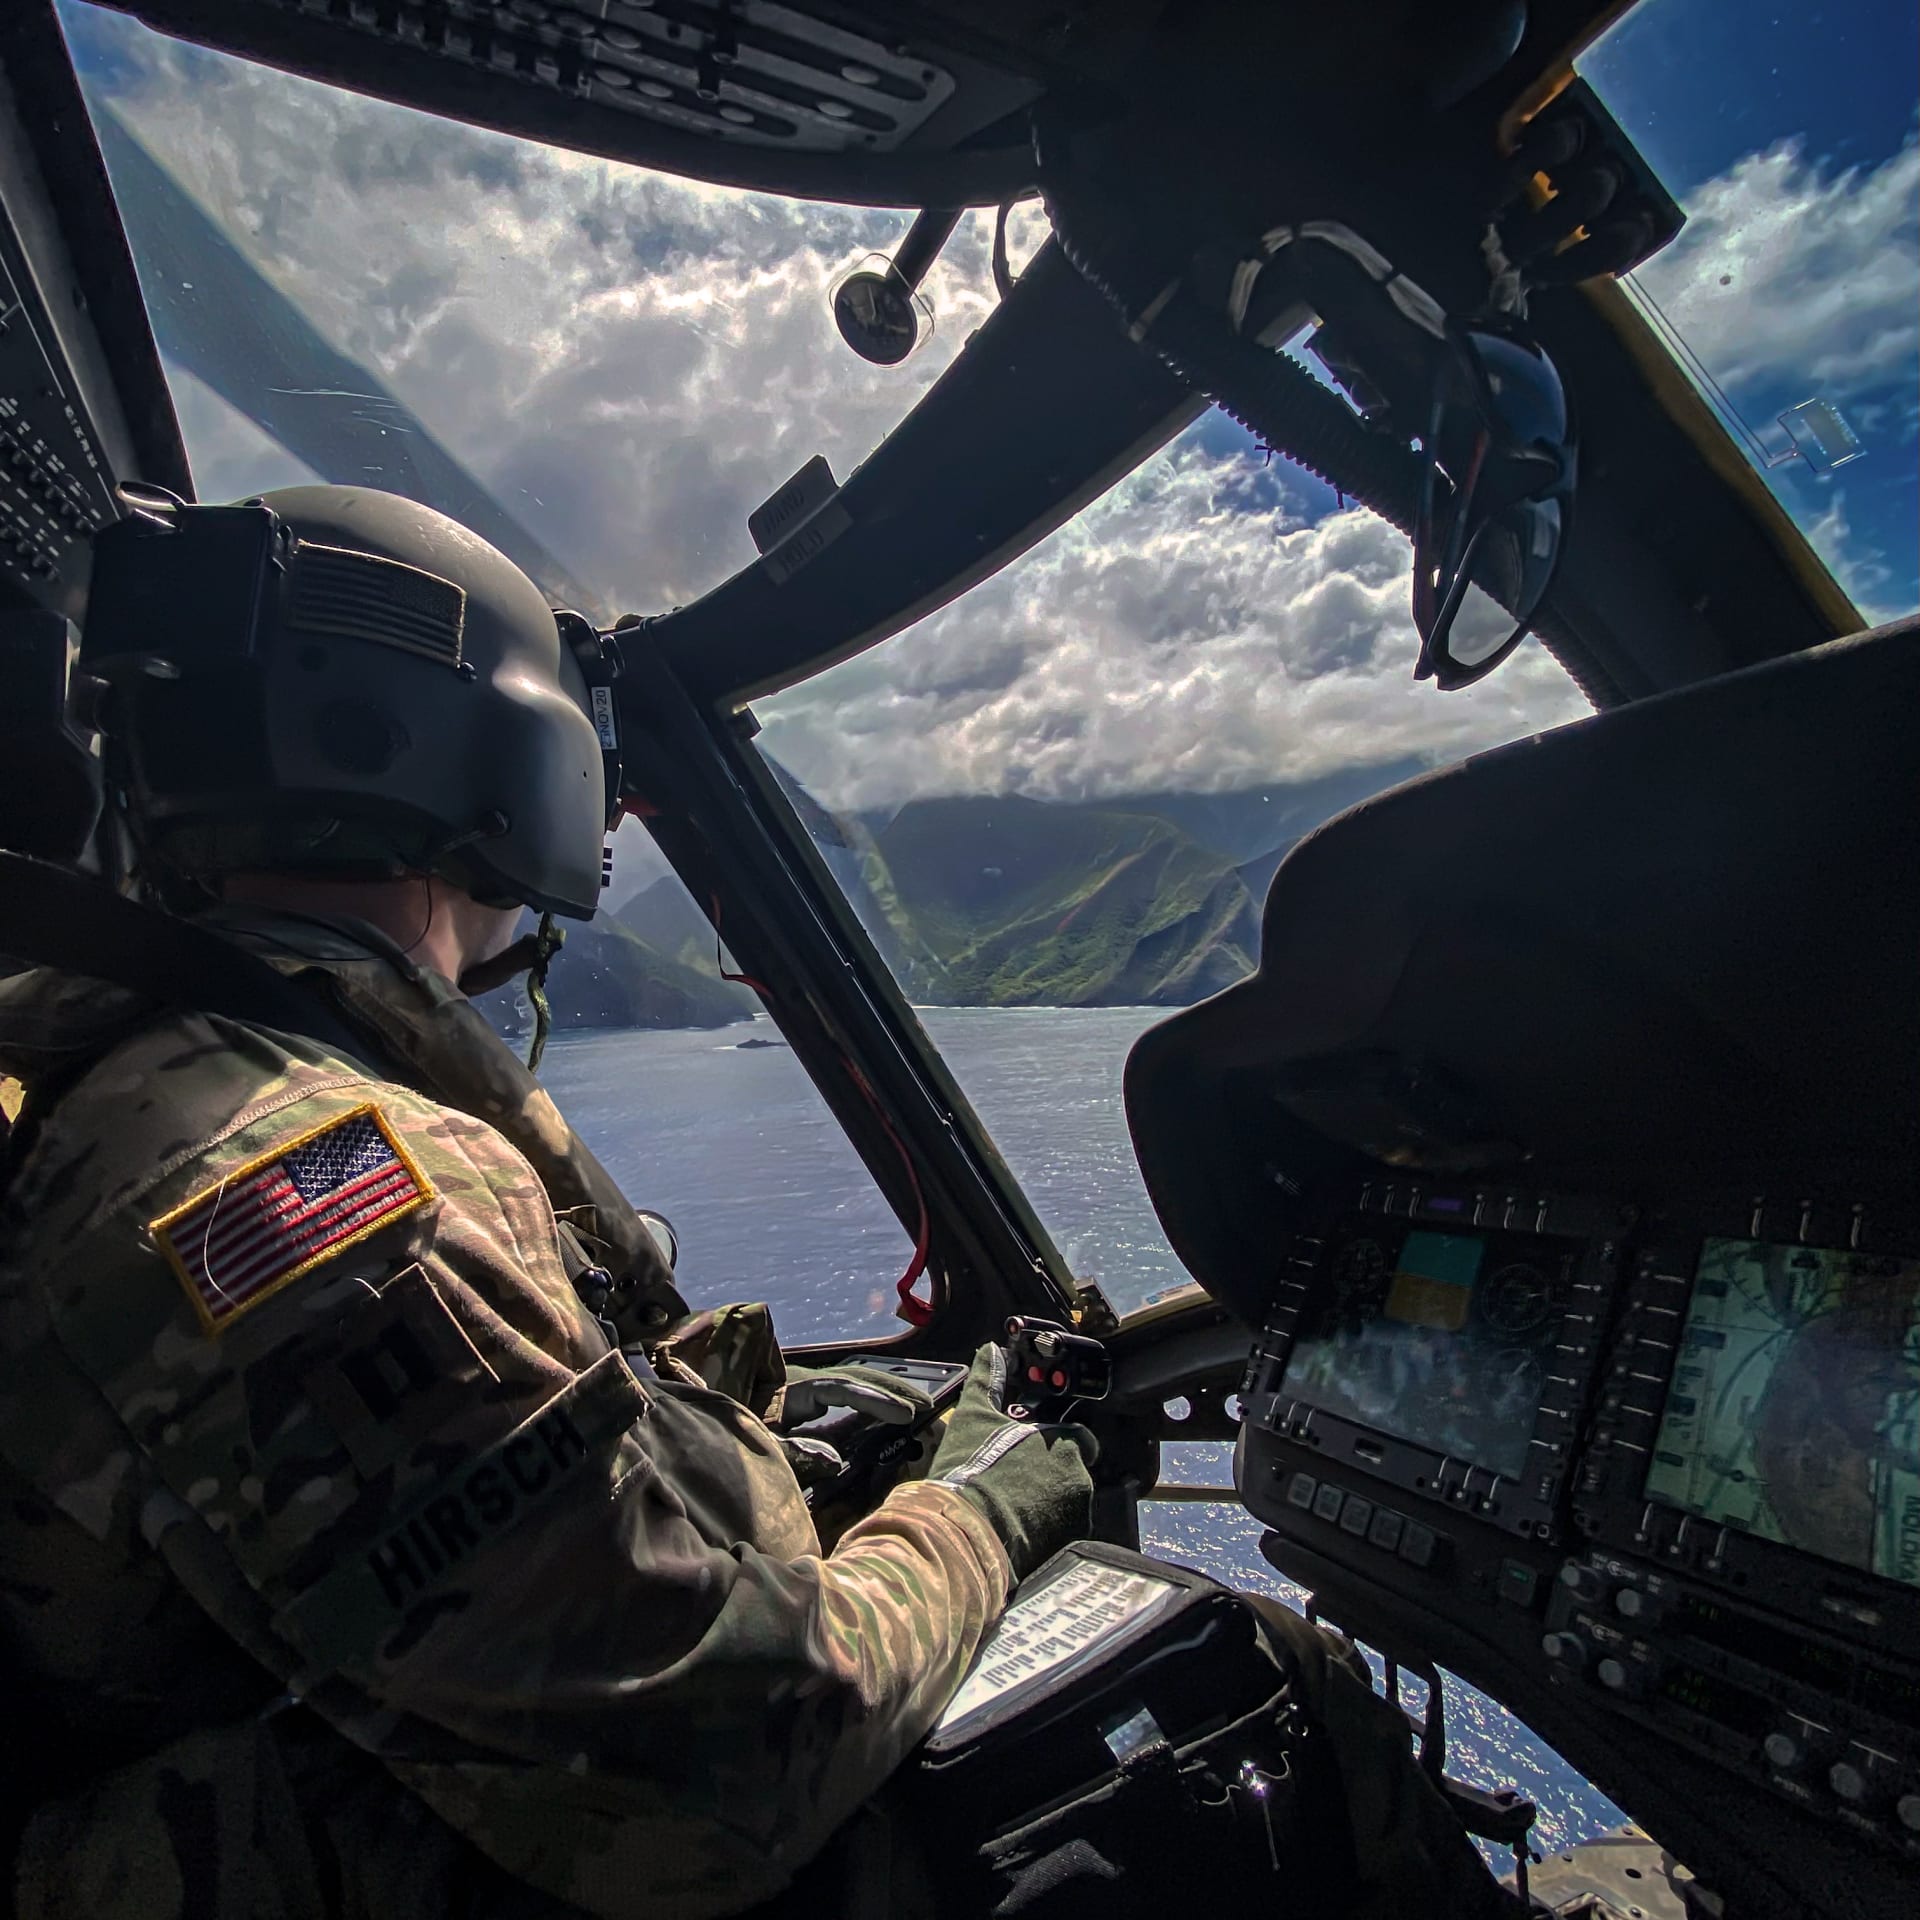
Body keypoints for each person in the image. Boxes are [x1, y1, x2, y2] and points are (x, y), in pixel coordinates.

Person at [0, 487, 1508, 1920]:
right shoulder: (316, 1182)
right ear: (495, 769)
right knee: (1258, 1681)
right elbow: (722, 1766)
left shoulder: (133, 1081)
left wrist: (780, 1447)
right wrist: (983, 1502)